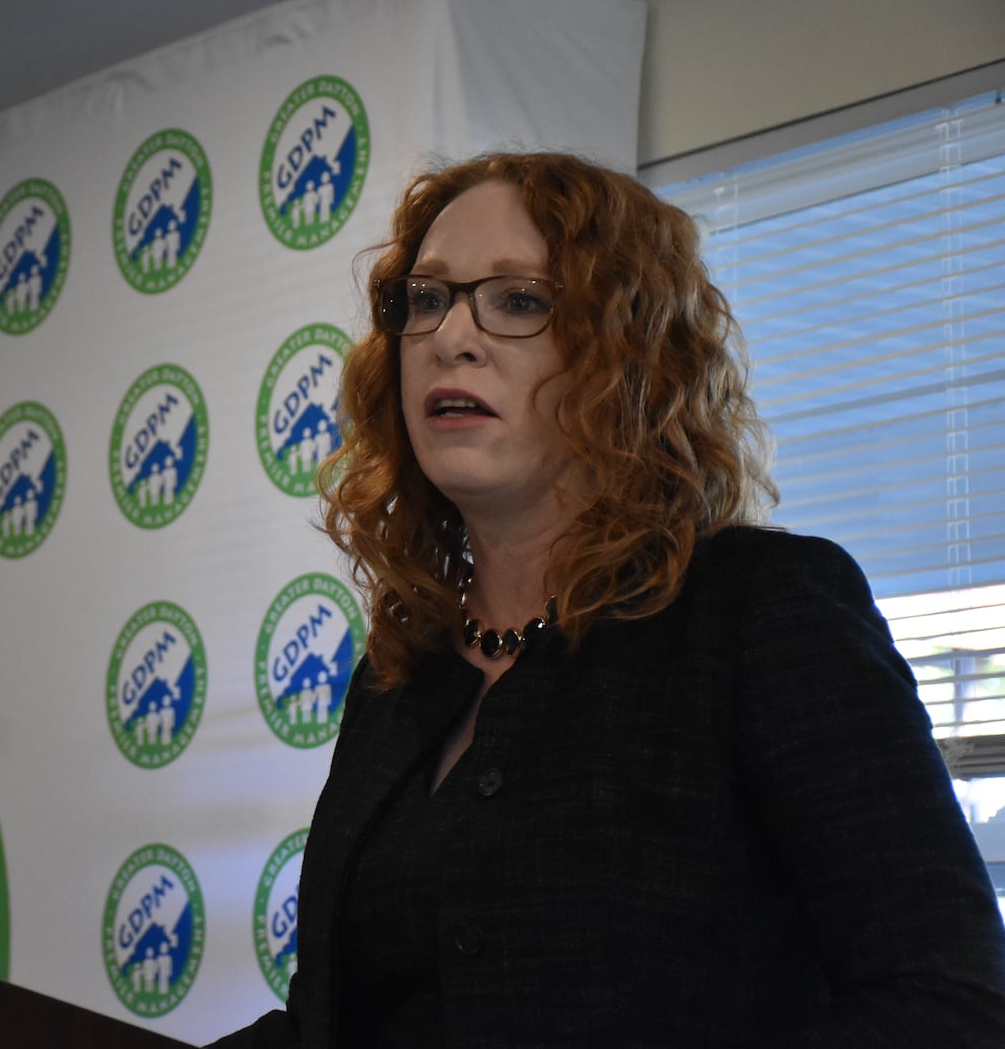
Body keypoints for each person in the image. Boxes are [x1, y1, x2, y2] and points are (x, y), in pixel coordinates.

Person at [210, 151, 1005, 1047]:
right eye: (425, 299)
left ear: (627, 354)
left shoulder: (761, 612)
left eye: (516, 299)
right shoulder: (398, 678)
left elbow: (947, 997)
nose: (449, 337)